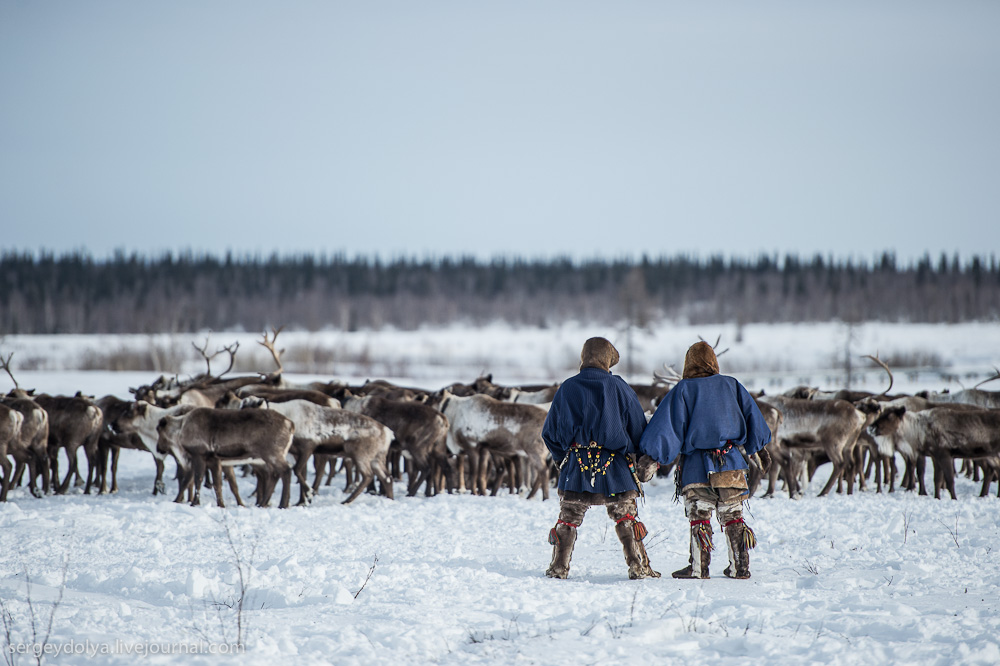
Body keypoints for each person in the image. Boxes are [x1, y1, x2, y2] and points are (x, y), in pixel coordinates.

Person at [639, 341, 772, 580]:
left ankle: (699, 569)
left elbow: (666, 428)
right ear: (714, 362)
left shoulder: (683, 390)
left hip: (696, 467)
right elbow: (754, 420)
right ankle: (739, 567)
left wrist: (651, 458)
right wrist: (758, 449)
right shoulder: (732, 385)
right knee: (733, 516)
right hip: (731, 465)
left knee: (699, 516)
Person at [541, 337, 660, 580]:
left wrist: (563, 460)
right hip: (615, 466)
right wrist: (637, 457)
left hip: (577, 465)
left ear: (584, 357)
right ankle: (638, 567)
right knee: (626, 516)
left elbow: (550, 432)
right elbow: (636, 426)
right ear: (607, 360)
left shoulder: (567, 387)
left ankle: (558, 568)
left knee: (569, 518)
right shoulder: (619, 387)